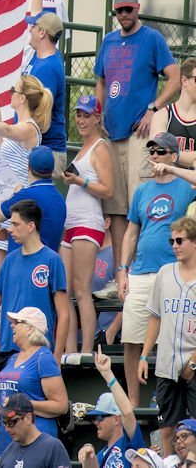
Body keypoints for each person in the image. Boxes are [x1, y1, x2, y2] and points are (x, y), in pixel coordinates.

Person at [96, 0, 181, 272]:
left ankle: (145, 269)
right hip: (111, 133)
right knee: (116, 209)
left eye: (128, 9)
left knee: (140, 203)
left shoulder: (152, 38)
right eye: (119, 11)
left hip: (138, 134)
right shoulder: (108, 41)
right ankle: (123, 271)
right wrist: (99, 113)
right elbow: (101, 81)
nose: (123, 15)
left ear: (138, 8)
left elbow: (175, 77)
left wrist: (152, 108)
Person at [117, 132, 196, 406]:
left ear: (173, 155)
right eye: (152, 151)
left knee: (168, 339)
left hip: (172, 272)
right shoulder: (142, 190)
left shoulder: (184, 187)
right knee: (131, 338)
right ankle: (133, 402)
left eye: (161, 151)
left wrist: (174, 168)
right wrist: (122, 269)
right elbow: (131, 233)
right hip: (140, 271)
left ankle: (165, 400)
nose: (155, 156)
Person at [0, 75, 52, 274]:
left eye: (14, 90)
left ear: (22, 98)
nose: (10, 94)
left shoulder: (30, 128)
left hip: (11, 211)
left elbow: (9, 131)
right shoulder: (16, 128)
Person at [0, 200, 70, 372]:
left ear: (31, 226)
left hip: (38, 352)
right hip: (6, 353)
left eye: (16, 224)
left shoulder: (52, 260)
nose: (10, 229)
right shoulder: (9, 260)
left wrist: (57, 357)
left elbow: (64, 314)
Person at [59, 95, 114, 354]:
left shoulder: (100, 147)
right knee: (66, 290)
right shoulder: (83, 147)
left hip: (88, 223)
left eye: (86, 115)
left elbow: (108, 189)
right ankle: (71, 350)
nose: (81, 120)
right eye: (78, 114)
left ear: (97, 118)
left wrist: (78, 181)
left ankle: (86, 351)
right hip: (70, 224)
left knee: (81, 289)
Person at [138, 216, 196, 446]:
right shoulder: (165, 272)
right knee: (166, 430)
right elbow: (155, 317)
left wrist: (193, 363)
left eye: (180, 240)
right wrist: (144, 355)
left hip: (193, 364)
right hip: (166, 365)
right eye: (171, 241)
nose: (174, 246)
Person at [0, 307, 69, 456]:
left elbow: (61, 405)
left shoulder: (43, 358)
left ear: (29, 328)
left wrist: (23, 405)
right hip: (7, 441)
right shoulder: (12, 358)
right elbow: (11, 398)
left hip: (36, 441)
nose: (11, 325)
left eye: (16, 322)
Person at [0, 146, 66, 258]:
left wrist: (14, 194)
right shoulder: (60, 199)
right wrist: (9, 236)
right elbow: (41, 233)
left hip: (25, 265)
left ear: (28, 166)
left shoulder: (25, 194)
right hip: (47, 266)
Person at [79, 346, 143, 468]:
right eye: (95, 418)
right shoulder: (100, 455)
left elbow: (127, 412)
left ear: (116, 419)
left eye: (100, 417)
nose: (96, 422)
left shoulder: (129, 443)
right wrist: (88, 457)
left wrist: (107, 374)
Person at [22, 12, 67, 172]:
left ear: (42, 33)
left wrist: (14, 132)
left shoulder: (47, 68)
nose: (29, 30)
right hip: (39, 149)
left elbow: (39, 117)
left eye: (33, 26)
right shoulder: (41, 55)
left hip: (45, 152)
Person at [0, 393, 72, 468]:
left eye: (11, 423)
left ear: (28, 418)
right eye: (4, 423)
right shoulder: (9, 451)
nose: (7, 429)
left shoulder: (52, 447)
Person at [151, 58, 196, 167]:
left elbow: (164, 153)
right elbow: (158, 153)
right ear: (184, 80)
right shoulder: (163, 115)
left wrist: (170, 153)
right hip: (170, 181)